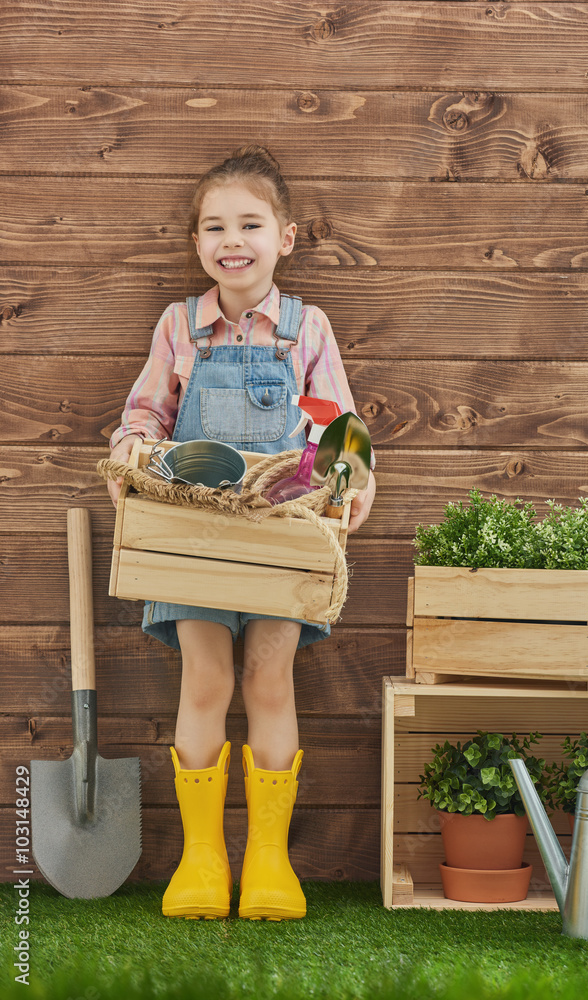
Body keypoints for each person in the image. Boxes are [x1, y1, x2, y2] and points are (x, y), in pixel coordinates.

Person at [107, 145, 376, 922]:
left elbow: (340, 428)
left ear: (284, 237)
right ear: (197, 243)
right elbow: (146, 415)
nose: (233, 240)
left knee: (267, 680)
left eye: (250, 224)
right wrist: (129, 446)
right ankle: (199, 862)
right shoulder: (179, 327)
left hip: (281, 539)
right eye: (214, 226)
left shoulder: (305, 329)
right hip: (189, 537)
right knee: (205, 681)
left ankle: (267, 863)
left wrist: (355, 477)